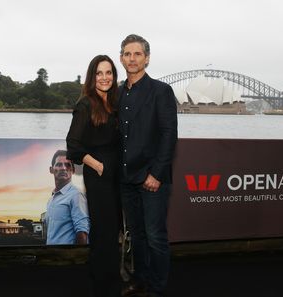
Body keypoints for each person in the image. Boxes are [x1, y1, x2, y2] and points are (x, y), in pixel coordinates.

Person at [118, 34, 178, 297]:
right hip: (126, 178)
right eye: (127, 54)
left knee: (155, 237)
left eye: (137, 54)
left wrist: (157, 174)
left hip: (152, 178)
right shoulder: (117, 93)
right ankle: (140, 280)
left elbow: (168, 135)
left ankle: (157, 288)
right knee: (137, 235)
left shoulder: (161, 91)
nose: (132, 59)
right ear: (121, 58)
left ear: (147, 58)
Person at [66, 55, 121, 297]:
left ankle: (111, 278)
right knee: (102, 229)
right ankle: (101, 283)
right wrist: (97, 165)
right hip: (98, 175)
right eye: (99, 73)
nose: (104, 77)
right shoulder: (86, 104)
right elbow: (74, 146)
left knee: (114, 229)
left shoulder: (116, 102)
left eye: (108, 73)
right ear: (92, 76)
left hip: (118, 174)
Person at [45, 149, 90, 245]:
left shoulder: (76, 195)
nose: (63, 168)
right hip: (51, 257)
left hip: (67, 258)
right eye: (59, 164)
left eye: (68, 165)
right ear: (51, 169)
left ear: (73, 170)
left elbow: (82, 233)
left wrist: (75, 258)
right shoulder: (51, 200)